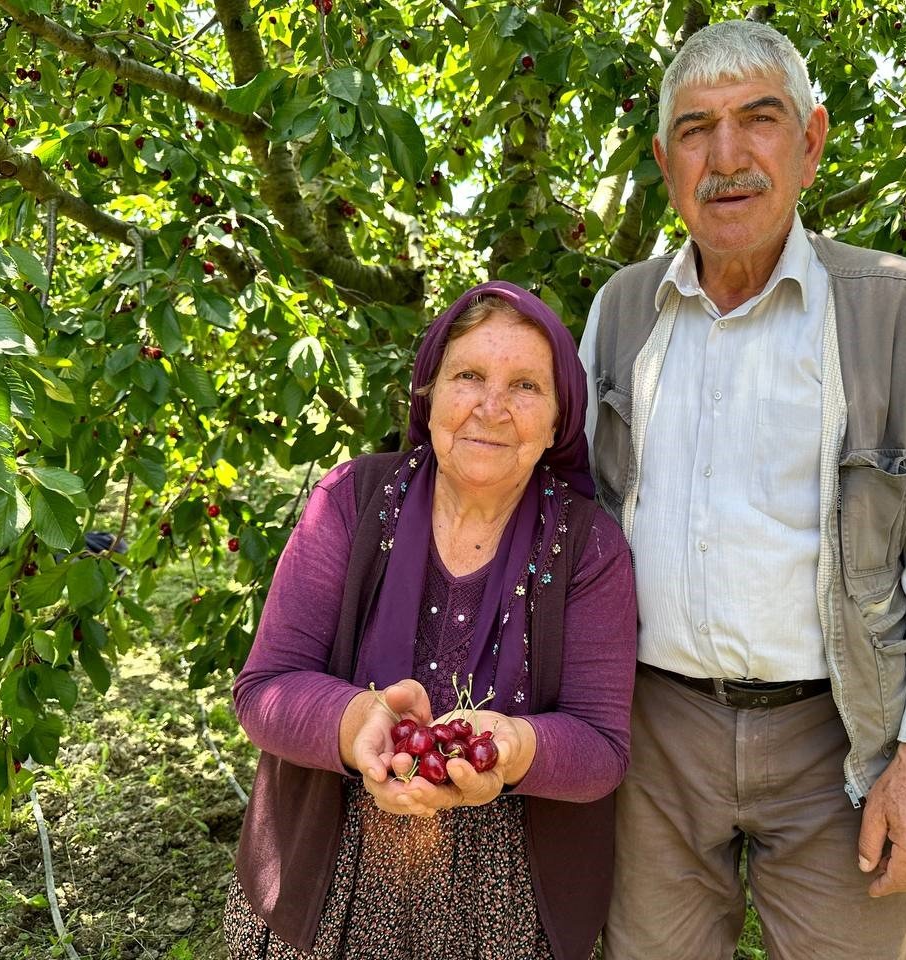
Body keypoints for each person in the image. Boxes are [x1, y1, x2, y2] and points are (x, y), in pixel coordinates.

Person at [579, 20, 906, 960]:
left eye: (759, 119)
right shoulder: (621, 310)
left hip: (840, 738)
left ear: (811, 141)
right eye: (695, 130)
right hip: (654, 737)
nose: (727, 157)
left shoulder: (896, 312)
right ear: (664, 160)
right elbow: (569, 510)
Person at [225, 281, 637, 960]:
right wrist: (358, 723)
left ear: (560, 420)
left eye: (526, 385)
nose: (491, 407)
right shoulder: (351, 501)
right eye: (468, 376)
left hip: (504, 906)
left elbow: (601, 748)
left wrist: (512, 746)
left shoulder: (589, 548)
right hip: (326, 873)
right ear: (429, 393)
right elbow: (264, 688)